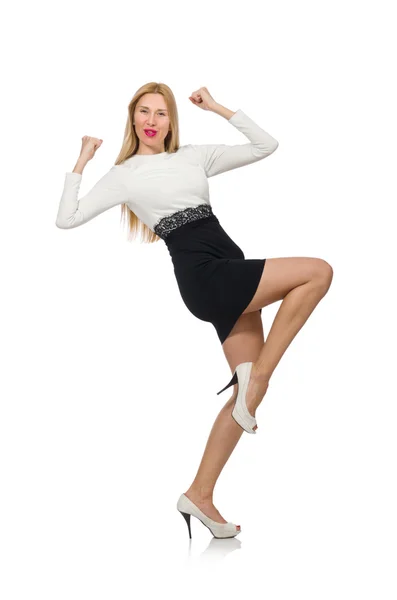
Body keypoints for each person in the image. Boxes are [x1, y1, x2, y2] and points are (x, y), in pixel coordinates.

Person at [55, 82, 333, 539]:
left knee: (244, 397)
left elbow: (266, 145)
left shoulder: (193, 155)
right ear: (132, 119)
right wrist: (82, 163)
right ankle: (260, 375)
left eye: (161, 113)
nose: (152, 120)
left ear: (171, 120)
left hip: (231, 268)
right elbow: (66, 219)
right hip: (206, 278)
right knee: (318, 272)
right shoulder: (123, 175)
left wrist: (218, 107)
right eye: (143, 112)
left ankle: (199, 495)